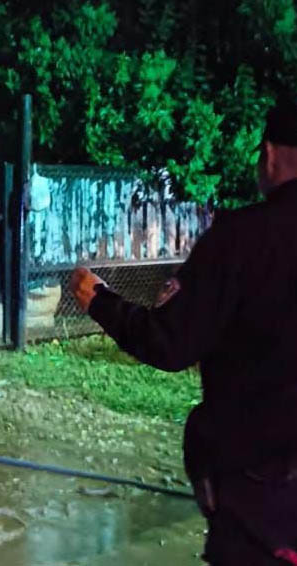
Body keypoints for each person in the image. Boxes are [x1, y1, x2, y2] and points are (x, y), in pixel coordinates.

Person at [69, 99, 297, 566]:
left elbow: (171, 342)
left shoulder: (245, 238)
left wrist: (99, 301)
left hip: (262, 497)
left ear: (271, 155)